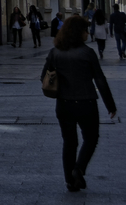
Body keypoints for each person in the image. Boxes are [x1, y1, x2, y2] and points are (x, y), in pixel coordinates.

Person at [44, 14, 117, 192]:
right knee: (91, 138)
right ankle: (79, 168)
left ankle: (70, 181)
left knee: (69, 142)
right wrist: (110, 105)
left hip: (64, 103)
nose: (87, 33)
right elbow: (100, 80)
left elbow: (44, 76)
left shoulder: (55, 52)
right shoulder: (87, 53)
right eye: (85, 30)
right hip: (86, 103)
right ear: (79, 32)